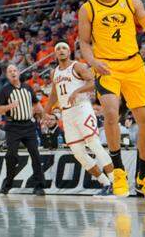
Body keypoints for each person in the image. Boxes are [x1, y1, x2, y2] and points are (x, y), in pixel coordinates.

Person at [77, 0, 145, 203]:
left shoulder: (131, 0)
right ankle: (118, 172)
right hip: (107, 68)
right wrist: (93, 61)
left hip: (134, 65)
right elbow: (84, 43)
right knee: (111, 113)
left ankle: (144, 179)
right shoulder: (88, 9)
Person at [46, 42, 113, 191]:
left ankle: (116, 181)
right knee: (78, 153)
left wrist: (78, 91)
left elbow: (93, 82)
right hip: (67, 113)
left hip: (82, 108)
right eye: (58, 49)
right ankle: (105, 183)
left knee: (94, 144)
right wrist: (46, 110)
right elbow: (54, 93)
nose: (61, 51)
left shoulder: (78, 66)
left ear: (69, 52)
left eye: (64, 48)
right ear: (55, 54)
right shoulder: (54, 72)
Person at [0, 64, 49, 195]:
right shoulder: (5, 90)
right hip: (13, 127)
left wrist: (43, 117)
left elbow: (36, 104)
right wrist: (10, 106)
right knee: (11, 156)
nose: (13, 73)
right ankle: (8, 184)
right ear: (7, 75)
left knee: (35, 155)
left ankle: (39, 186)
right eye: (10, 71)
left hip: (29, 126)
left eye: (14, 70)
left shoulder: (27, 87)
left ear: (18, 73)